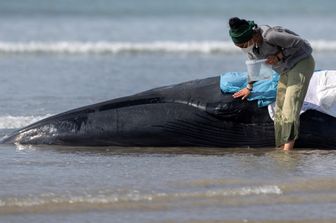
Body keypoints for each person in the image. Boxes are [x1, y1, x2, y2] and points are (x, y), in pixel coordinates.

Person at [228, 17, 315, 150]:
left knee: (290, 105)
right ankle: (280, 146)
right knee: (279, 108)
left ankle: (288, 151)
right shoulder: (252, 48)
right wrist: (249, 87)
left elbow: (302, 44)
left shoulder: (271, 36)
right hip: (285, 70)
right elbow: (256, 69)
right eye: (239, 47)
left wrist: (278, 56)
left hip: (301, 62)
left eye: (243, 45)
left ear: (252, 36)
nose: (243, 49)